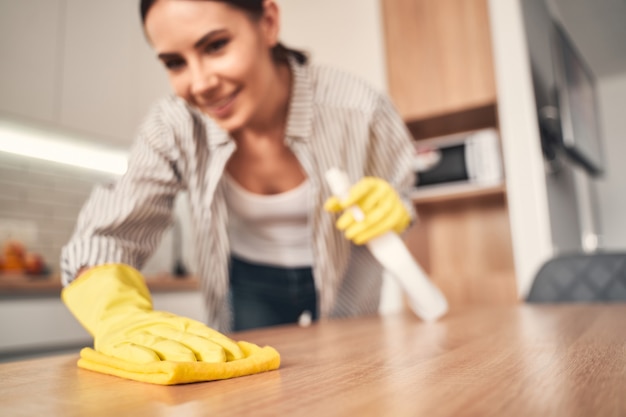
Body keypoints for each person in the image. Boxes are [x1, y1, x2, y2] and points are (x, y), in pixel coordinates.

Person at [59, 0, 416, 383]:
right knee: (253, 393)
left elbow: (402, 192)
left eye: (215, 46)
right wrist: (120, 316)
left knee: (352, 385)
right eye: (174, 62)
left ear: (268, 21)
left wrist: (397, 206)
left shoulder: (359, 107)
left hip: (346, 280)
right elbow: (107, 235)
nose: (200, 84)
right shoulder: (173, 125)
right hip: (248, 283)